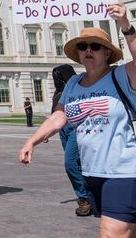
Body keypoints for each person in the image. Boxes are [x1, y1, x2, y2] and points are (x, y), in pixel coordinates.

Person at [20, 3, 136, 238]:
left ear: (107, 52)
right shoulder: (73, 84)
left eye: (95, 46)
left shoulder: (121, 75)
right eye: (83, 47)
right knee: (128, 229)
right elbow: (59, 117)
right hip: (93, 171)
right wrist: (32, 141)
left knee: (111, 232)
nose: (88, 50)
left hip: (125, 169)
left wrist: (125, 25)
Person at [51, 64, 91, 217]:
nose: (57, 80)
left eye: (59, 76)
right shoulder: (59, 92)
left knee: (71, 162)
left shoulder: (77, 89)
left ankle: (85, 197)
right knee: (77, 163)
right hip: (62, 129)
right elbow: (55, 110)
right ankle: (87, 195)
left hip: (76, 127)